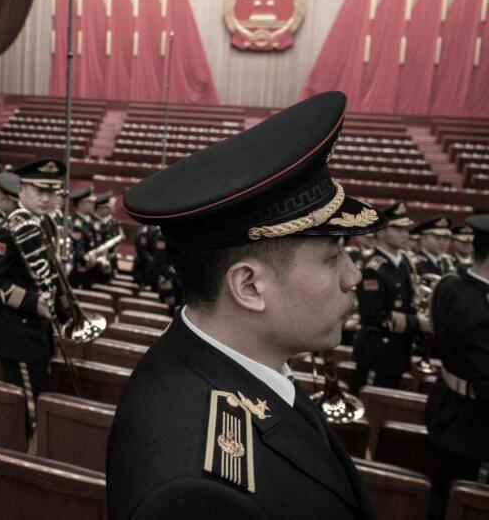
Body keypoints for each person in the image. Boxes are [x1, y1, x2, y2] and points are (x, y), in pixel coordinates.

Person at [108, 91, 378, 519]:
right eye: (333, 256)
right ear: (248, 286)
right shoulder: (198, 490)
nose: (353, 276)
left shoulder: (227, 363)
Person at [0, 159, 63, 423]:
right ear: (22, 190)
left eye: (52, 192)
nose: (46, 198)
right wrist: (32, 301)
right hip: (18, 333)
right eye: (39, 191)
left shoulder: (45, 223)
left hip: (37, 331)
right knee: (31, 410)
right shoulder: (7, 231)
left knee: (39, 394)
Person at [424, 213, 488, 519]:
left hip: (444, 405)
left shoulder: (450, 285)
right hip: (471, 425)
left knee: (439, 491)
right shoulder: (482, 310)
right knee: (457, 502)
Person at [352, 202, 427, 392]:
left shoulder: (404, 263)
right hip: (377, 352)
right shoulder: (373, 268)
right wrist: (416, 322)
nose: (405, 233)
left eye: (406, 228)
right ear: (381, 232)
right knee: (371, 404)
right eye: (398, 228)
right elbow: (373, 317)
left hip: (399, 350)